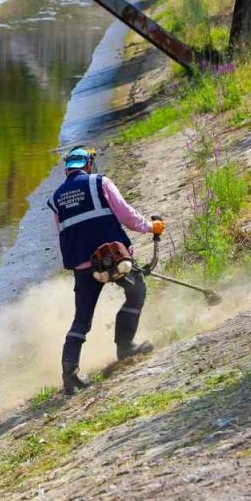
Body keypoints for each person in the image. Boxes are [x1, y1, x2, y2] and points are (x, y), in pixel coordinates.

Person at [47, 146, 165, 396]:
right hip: (112, 256)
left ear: (67, 168)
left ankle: (70, 376)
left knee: (82, 319)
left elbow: (63, 233)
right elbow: (126, 216)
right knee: (136, 291)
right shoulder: (99, 182)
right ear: (88, 164)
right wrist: (151, 227)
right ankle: (125, 346)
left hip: (82, 265)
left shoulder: (56, 198)